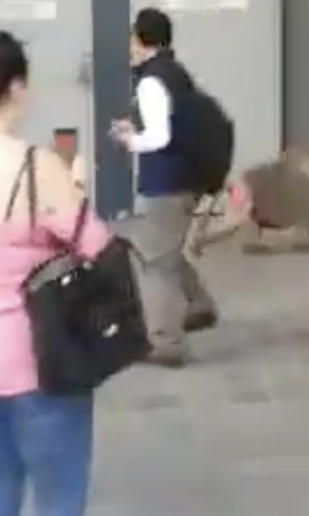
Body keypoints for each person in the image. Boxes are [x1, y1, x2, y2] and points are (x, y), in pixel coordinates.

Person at [0, 31, 111, 516]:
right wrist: (78, 187)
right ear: (17, 88)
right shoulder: (35, 169)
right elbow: (97, 248)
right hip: (38, 361)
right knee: (58, 500)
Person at [110, 8, 218, 368]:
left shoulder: (151, 81)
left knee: (156, 264)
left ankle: (165, 342)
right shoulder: (175, 73)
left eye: (131, 38)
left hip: (166, 182)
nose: (128, 45)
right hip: (187, 179)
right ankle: (199, 305)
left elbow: (159, 136)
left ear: (143, 40)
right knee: (165, 252)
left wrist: (130, 140)